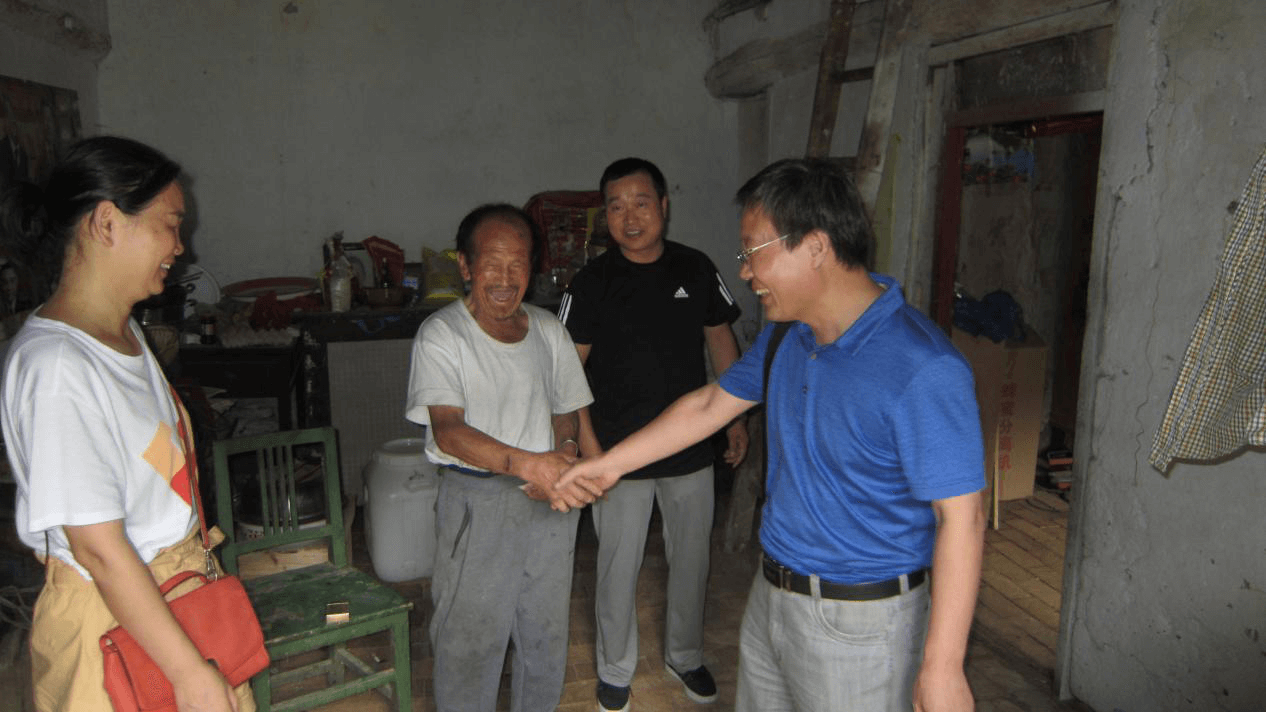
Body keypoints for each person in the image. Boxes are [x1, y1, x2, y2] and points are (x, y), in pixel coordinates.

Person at [559, 158, 987, 712]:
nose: (745, 273)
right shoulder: (789, 336)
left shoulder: (922, 366)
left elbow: (963, 518)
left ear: (815, 247)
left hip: (861, 622)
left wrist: (944, 665)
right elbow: (710, 404)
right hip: (772, 599)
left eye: (753, 251)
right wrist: (606, 465)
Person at [0, 136, 254, 711]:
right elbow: (98, 551)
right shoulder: (59, 366)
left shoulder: (124, 333)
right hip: (116, 623)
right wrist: (188, 673)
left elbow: (151, 472)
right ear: (107, 223)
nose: (180, 246)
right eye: (170, 224)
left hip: (172, 599)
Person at [557, 157, 745, 711]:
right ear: (605, 217)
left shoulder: (695, 267)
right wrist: (592, 452)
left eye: (641, 203)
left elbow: (721, 341)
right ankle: (615, 669)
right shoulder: (591, 283)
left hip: (690, 451)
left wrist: (735, 418)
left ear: (664, 206)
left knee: (692, 560)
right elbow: (565, 376)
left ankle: (685, 656)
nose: (630, 217)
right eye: (616, 207)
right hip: (616, 454)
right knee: (617, 567)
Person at [404, 203, 596, 712]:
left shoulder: (548, 330)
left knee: (545, 636)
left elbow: (565, 408)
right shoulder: (443, 335)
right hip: (477, 503)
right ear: (465, 266)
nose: (506, 279)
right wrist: (530, 465)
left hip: (548, 500)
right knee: (469, 641)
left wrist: (564, 453)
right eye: (492, 264)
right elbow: (449, 431)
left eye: (519, 265)